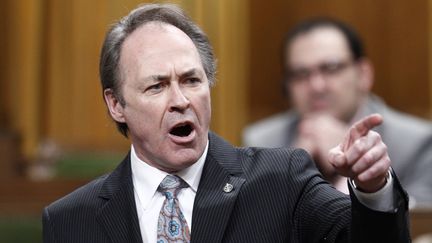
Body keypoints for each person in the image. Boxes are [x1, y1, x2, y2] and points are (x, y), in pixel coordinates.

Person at [42, 4, 410, 243]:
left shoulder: (281, 179)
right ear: (116, 104)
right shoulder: (71, 221)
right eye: (157, 86)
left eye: (191, 80)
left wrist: (373, 186)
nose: (181, 101)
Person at [243, 17, 432, 204]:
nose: (317, 86)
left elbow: (417, 226)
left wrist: (354, 175)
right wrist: (293, 168)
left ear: (364, 75)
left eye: (331, 68)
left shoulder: (416, 143)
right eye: (300, 74)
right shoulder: (261, 142)